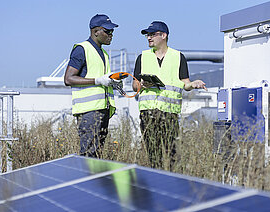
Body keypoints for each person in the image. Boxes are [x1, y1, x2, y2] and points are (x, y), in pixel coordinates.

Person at [132, 21, 207, 170]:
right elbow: (134, 85)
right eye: (147, 35)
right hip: (148, 113)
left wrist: (193, 84)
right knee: (153, 155)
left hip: (169, 115)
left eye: (152, 34)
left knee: (171, 155)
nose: (148, 37)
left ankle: (170, 182)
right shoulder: (143, 57)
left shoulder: (178, 57)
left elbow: (185, 83)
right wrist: (142, 84)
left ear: (163, 35)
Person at [64, 14, 122, 158]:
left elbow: (102, 80)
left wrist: (112, 83)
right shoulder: (82, 49)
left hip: (102, 110)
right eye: (107, 31)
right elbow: (68, 79)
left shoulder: (103, 53)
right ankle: (87, 180)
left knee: (96, 154)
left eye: (112, 31)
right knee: (89, 154)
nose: (111, 34)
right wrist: (98, 80)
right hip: (89, 112)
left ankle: (93, 180)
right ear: (96, 31)